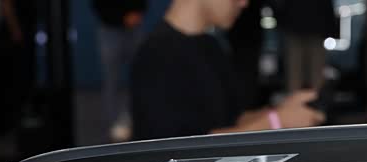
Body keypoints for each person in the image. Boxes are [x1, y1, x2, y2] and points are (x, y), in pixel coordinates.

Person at [131, 0, 325, 141]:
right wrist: (275, 122)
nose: (244, 3)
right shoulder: (157, 54)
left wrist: (281, 112)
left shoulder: (211, 46)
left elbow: (231, 120)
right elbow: (177, 150)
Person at [92, 0, 147, 143]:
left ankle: (134, 121)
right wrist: (120, 18)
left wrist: (138, 12)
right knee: (111, 82)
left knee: (140, 78)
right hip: (109, 28)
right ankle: (112, 126)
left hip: (134, 26)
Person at [275, 0, 339, 92]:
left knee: (296, 72)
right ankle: (312, 98)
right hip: (312, 23)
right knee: (313, 72)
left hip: (296, 22)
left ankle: (302, 98)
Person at [228, 1, 265, 110]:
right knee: (245, 76)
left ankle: (247, 105)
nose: (243, 3)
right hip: (243, 38)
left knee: (247, 76)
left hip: (245, 37)